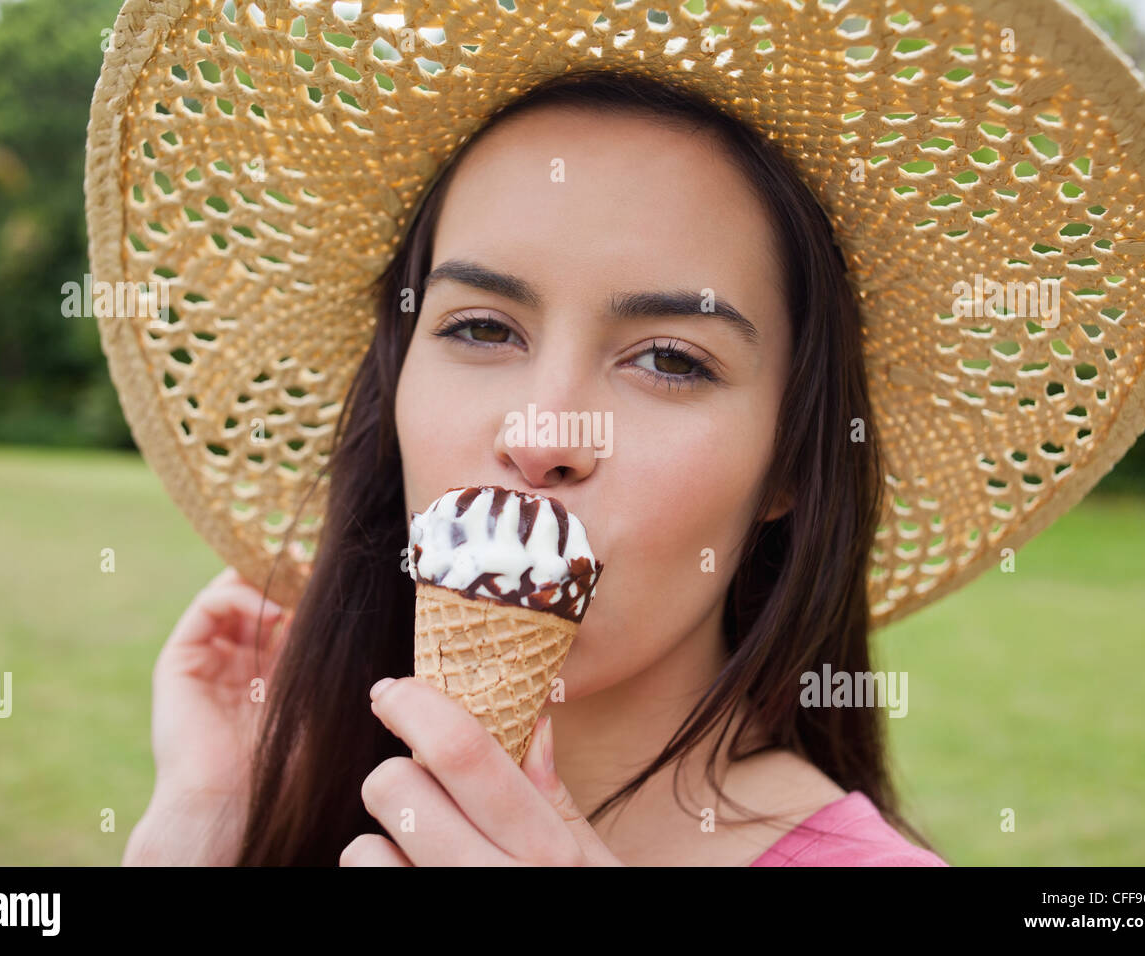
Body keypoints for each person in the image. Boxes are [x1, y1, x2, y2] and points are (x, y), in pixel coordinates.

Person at [123, 70, 945, 866]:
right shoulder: (286, 803)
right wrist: (217, 824)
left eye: (669, 358)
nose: (542, 435)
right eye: (481, 329)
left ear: (790, 464)